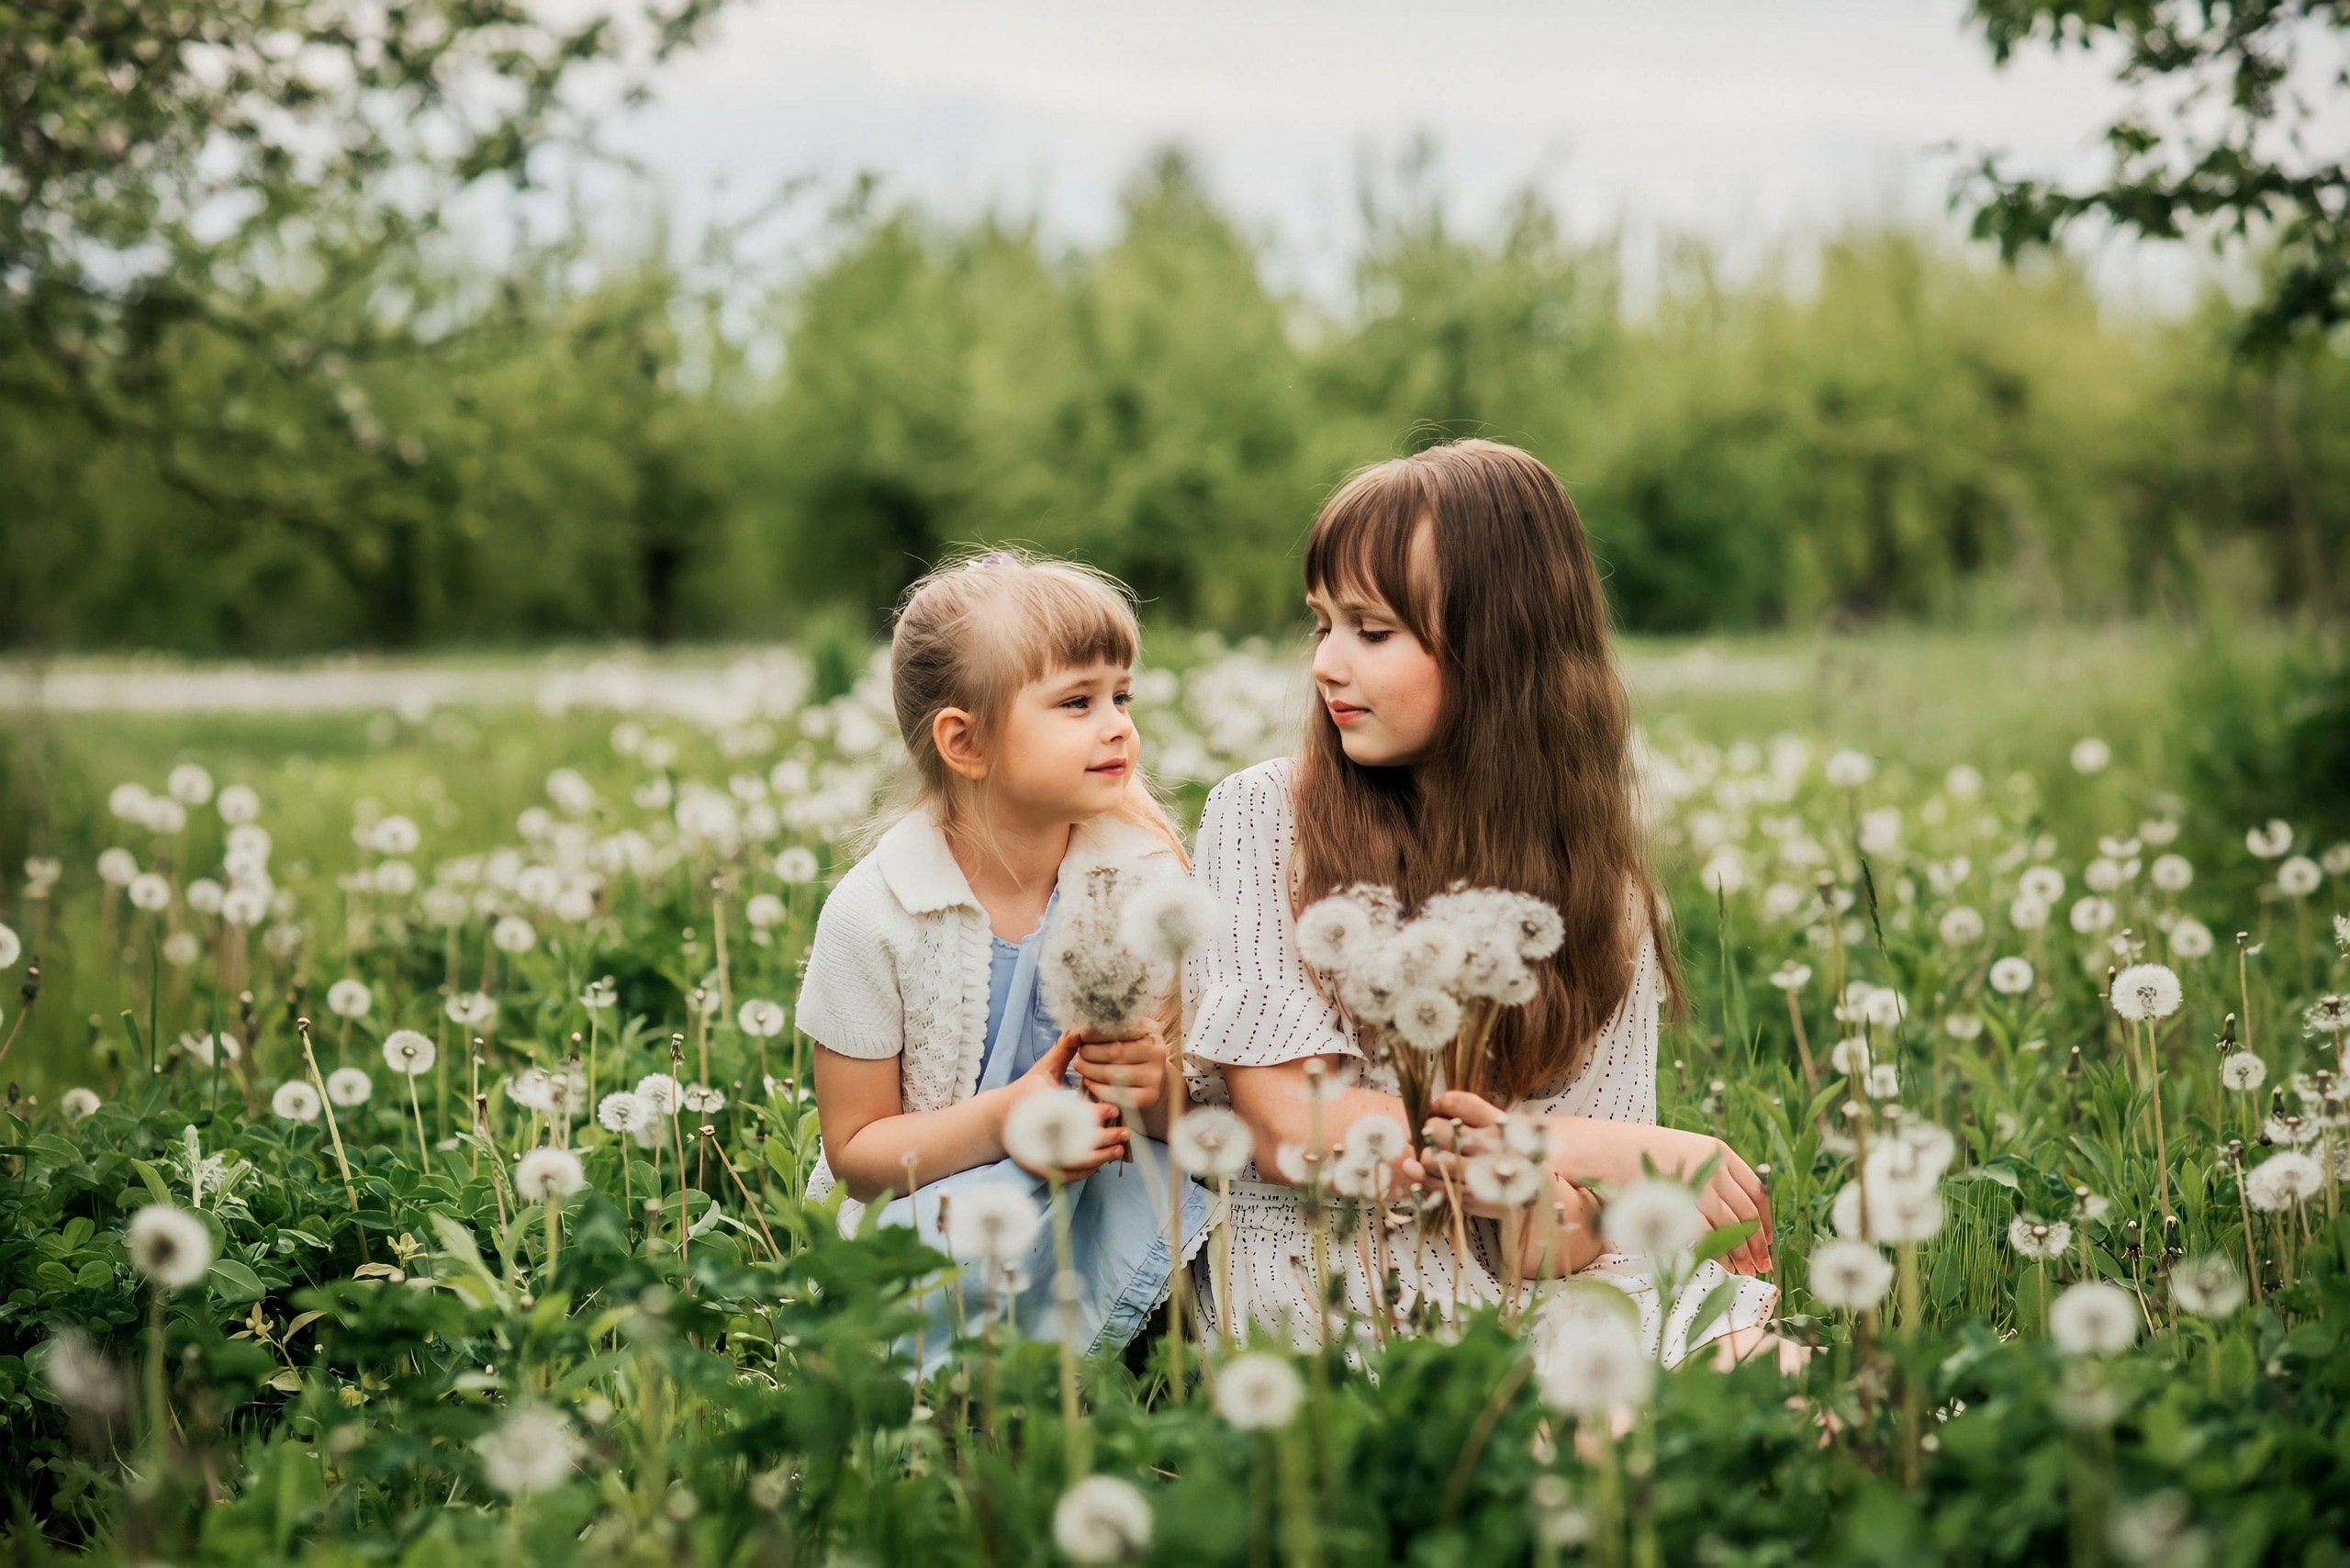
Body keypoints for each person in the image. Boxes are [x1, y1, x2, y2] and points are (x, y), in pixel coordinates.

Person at [1182, 440, 1779, 1366]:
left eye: (1371, 633)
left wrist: (1549, 1181)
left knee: (1759, 1367)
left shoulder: (1593, 883)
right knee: (1567, 1422)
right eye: (1321, 626)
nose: (1326, 666)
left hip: (1521, 1278)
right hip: (1327, 1267)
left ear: (1499, 647)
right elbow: (1293, 1132)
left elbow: (1570, 1239)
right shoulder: (1265, 817)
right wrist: (1605, 1150)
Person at [800, 553, 1209, 1369]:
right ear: (965, 741)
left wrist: (1156, 1095)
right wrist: (1002, 1125)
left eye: (1121, 696)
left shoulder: (1147, 880)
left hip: (1113, 1195)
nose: (1118, 724)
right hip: (944, 1204)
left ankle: (1138, 1353)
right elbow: (857, 1153)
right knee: (917, 1297)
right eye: (1076, 702)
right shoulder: (874, 911)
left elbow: (1196, 1115)